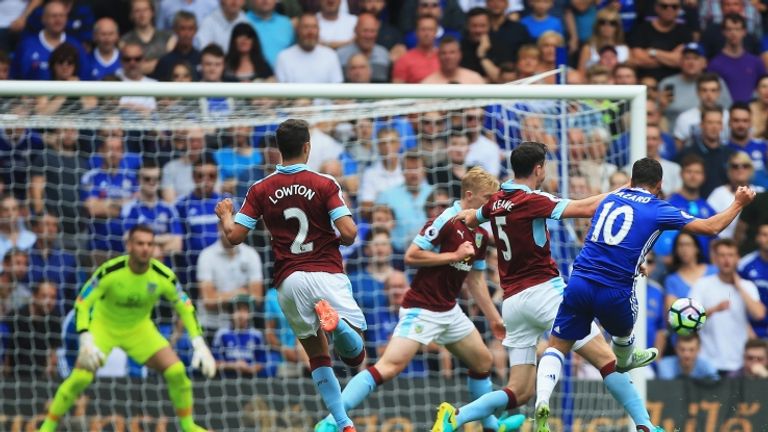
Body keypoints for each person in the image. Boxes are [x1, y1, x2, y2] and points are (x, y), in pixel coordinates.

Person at [433, 143, 656, 432]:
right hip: (544, 293)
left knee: (519, 390)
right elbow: (586, 207)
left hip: (512, 303)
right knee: (608, 359)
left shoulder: (495, 200)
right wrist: (627, 190)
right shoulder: (532, 199)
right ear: (538, 168)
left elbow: (473, 216)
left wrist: (463, 217)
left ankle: (456, 417)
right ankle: (645, 425)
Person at [534, 158, 757, 431]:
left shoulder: (609, 199)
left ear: (631, 179)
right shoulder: (658, 208)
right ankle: (627, 357)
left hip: (579, 282)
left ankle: (542, 400)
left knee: (557, 346)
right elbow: (711, 228)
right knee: (629, 317)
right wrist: (738, 203)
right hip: (614, 291)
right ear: (660, 185)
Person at [317, 167, 512, 432]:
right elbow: (412, 255)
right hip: (421, 309)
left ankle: (492, 426)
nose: (493, 204)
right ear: (469, 196)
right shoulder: (445, 221)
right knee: (388, 367)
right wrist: (453, 256)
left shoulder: (479, 234)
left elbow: (475, 281)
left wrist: (494, 318)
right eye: (489, 198)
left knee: (483, 361)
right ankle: (332, 420)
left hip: (449, 310)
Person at [215, 119, 365, 432]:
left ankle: (343, 422)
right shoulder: (324, 183)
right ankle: (337, 328)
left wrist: (226, 215)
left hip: (289, 280)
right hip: (326, 271)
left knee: (315, 355)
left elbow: (234, 237)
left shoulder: (260, 189)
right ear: (307, 146)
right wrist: (341, 215)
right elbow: (350, 235)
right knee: (356, 356)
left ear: (279, 150)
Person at [37, 225, 216, 432]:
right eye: (140, 243)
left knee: (177, 372)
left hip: (139, 330)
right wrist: (85, 336)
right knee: (80, 377)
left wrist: (199, 343)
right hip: (104, 328)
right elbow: (82, 303)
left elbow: (185, 307)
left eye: (150, 244)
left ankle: (188, 426)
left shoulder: (163, 275)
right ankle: (47, 428)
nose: (145, 249)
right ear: (129, 245)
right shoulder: (110, 271)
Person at [691, 238, 766, 374]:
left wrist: (739, 286)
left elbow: (759, 313)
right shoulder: (702, 285)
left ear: (737, 258)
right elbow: (690, 320)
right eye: (722, 255)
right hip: (708, 361)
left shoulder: (747, 286)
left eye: (731, 255)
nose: (727, 260)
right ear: (715, 258)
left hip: (739, 363)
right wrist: (714, 310)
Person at [274, 13, 343, 83]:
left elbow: (337, 89)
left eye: (314, 27)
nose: (310, 32)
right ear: (297, 30)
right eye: (306, 27)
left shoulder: (330, 56)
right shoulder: (284, 57)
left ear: (319, 30)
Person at [739, 223, 768, 338]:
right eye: (764, 235)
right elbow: (737, 297)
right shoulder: (744, 265)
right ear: (757, 238)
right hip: (753, 330)